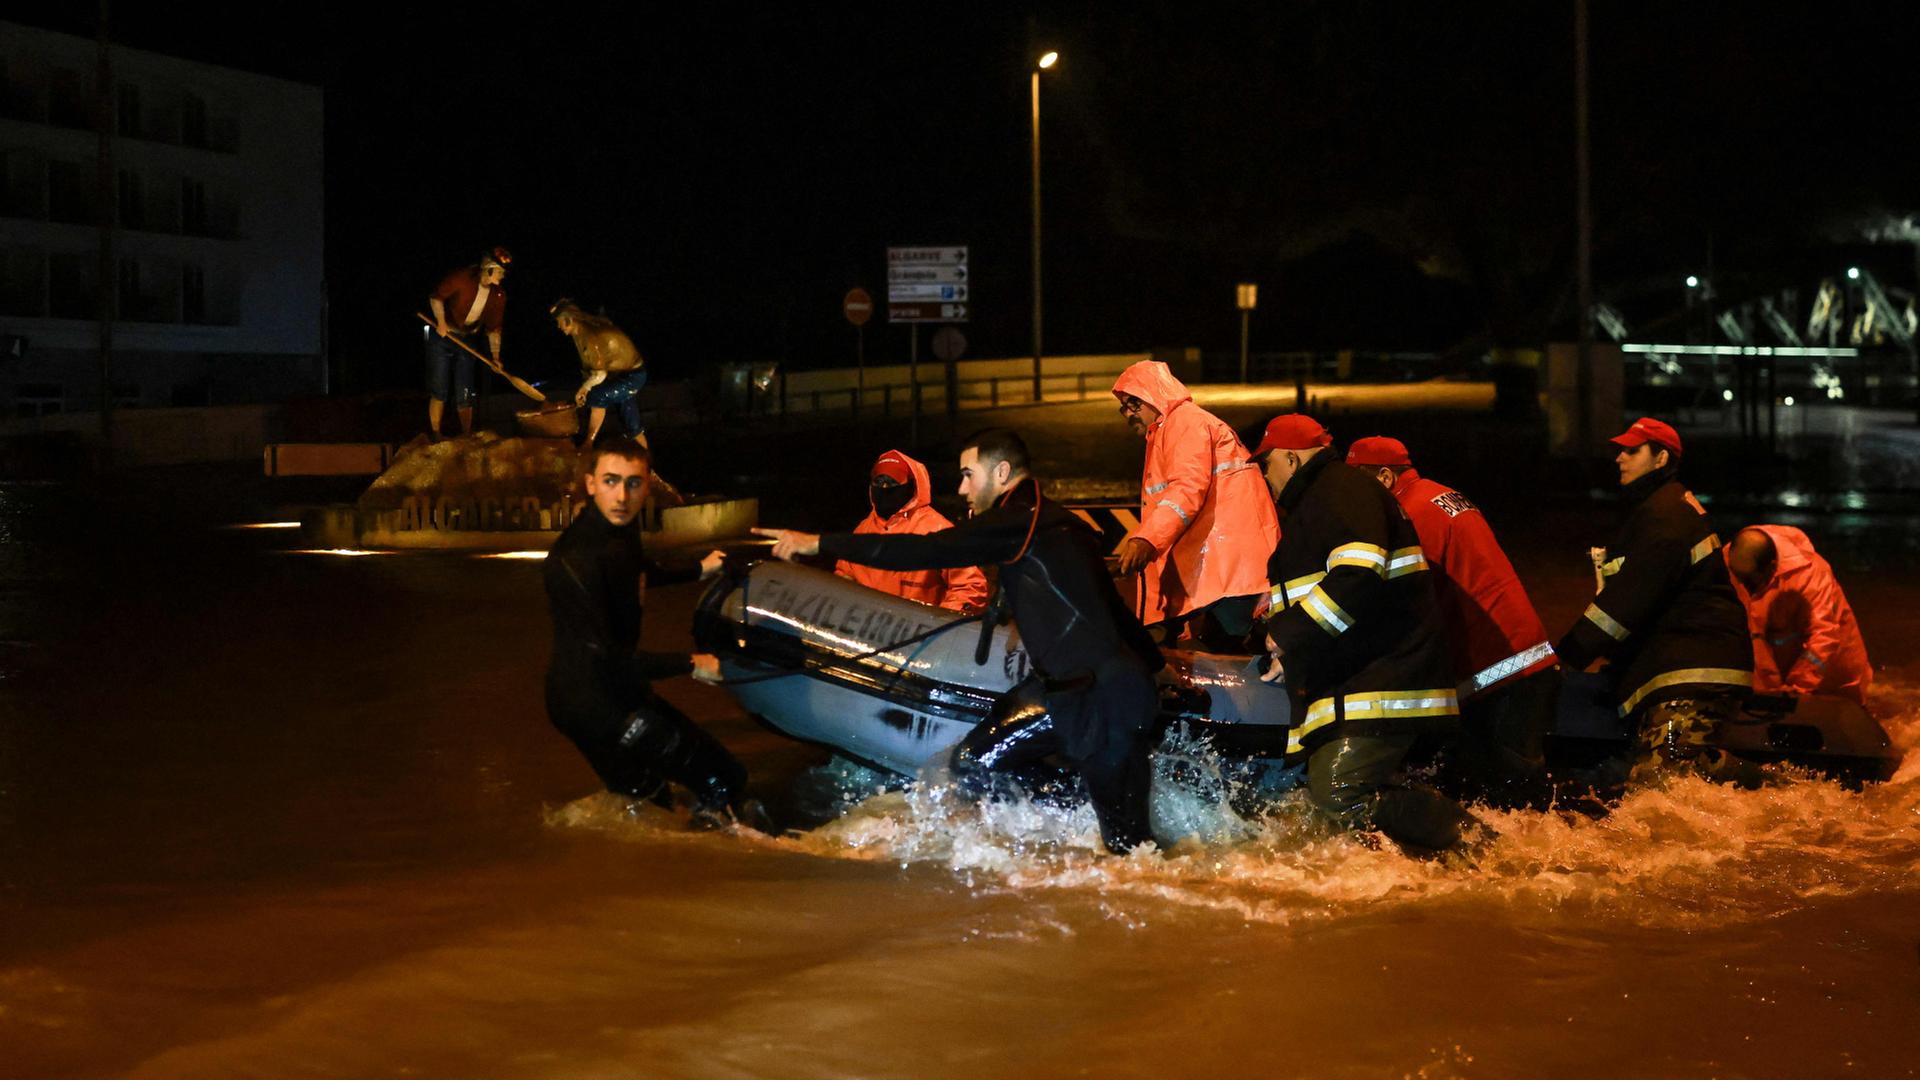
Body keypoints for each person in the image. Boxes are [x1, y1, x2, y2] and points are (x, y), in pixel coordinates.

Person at [755, 428, 1165, 854]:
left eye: (969, 475)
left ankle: (1072, 838)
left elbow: (925, 550)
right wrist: (1155, 665)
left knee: (1130, 850)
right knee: (971, 763)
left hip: (1099, 698)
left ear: (1001, 473)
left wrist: (818, 542)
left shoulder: (1018, 522)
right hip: (1069, 688)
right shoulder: (1057, 521)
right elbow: (1111, 608)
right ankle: (1060, 835)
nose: (962, 488)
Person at [1250, 415, 1482, 855]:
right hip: (1364, 680)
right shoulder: (1329, 497)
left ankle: (1479, 844)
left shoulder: (1339, 491)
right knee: (1330, 801)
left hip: (1381, 681)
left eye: (1266, 464)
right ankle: (1440, 866)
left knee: (1338, 794)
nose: (1264, 476)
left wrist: (1289, 635)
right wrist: (1290, 654)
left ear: (1292, 459)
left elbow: (1358, 574)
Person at [542, 437, 751, 827]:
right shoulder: (574, 559)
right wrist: (692, 662)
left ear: (646, 487)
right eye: (610, 481)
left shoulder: (618, 531)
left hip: (609, 691)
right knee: (722, 780)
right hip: (591, 702)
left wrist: (700, 569)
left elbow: (634, 572)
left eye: (633, 483)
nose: (622, 496)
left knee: (653, 806)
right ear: (590, 484)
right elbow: (606, 657)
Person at [1346, 436, 1557, 810]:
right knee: (1514, 800)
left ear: (1384, 477)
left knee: (1509, 801)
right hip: (1523, 658)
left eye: (1356, 488)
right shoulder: (1440, 496)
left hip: (1497, 671)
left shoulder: (1409, 514)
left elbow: (1402, 601)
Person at [1553, 418, 1753, 783]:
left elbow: (1623, 605)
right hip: (1684, 671)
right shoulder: (1663, 509)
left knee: (1662, 786)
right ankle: (1754, 780)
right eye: (1620, 451)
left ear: (1661, 459)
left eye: (1632, 451)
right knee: (1663, 784)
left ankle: (1766, 783)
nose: (1620, 458)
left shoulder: (1666, 516)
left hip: (1689, 676)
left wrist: (1565, 657)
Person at [1110, 360, 1279, 648]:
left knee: (1234, 652)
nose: (1128, 413)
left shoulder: (1184, 423)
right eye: (1124, 406)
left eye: (1133, 403)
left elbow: (1187, 489)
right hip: (1227, 568)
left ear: (1153, 396)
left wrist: (1147, 539)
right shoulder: (1176, 427)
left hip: (1228, 570)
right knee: (1226, 651)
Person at [1724, 525, 1871, 705]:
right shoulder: (1728, 562)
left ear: (1772, 568)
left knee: (1840, 707)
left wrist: (1797, 688)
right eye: (1740, 580)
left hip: (1829, 662)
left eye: (1750, 582)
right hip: (1772, 658)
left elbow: (1824, 636)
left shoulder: (1812, 573)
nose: (1745, 588)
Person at [834, 449, 989, 613]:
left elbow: (970, 587)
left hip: (917, 627)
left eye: (892, 482)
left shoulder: (937, 529)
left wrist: (936, 621)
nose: (884, 488)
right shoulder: (862, 530)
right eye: (879, 481)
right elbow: (843, 578)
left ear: (911, 485)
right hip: (869, 625)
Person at [425, 246, 511, 438]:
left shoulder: (498, 295)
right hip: (444, 335)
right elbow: (436, 298)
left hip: (467, 338)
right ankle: (436, 433)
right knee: (439, 388)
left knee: (465, 388)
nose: (502, 276)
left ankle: (466, 434)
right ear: (489, 269)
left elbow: (494, 329)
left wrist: (495, 357)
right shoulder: (462, 278)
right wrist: (441, 321)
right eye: (500, 272)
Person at [551, 299, 648, 445]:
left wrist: (584, 388)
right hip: (620, 375)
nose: (558, 326)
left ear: (568, 320)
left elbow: (599, 374)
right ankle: (645, 456)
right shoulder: (579, 334)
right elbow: (591, 368)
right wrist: (585, 387)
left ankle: (589, 442)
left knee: (597, 396)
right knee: (631, 424)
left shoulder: (589, 336)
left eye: (559, 322)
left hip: (631, 376)